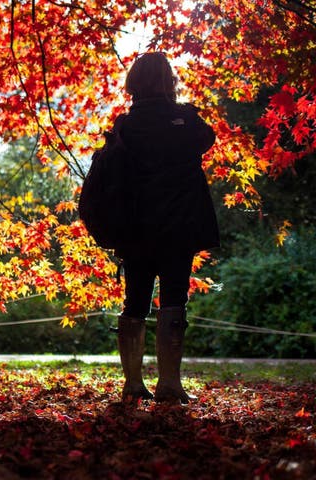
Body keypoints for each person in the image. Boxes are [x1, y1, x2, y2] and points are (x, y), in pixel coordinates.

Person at [111, 52, 219, 404]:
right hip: (178, 225)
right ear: (168, 81)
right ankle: (170, 383)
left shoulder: (125, 126)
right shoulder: (186, 121)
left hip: (135, 227)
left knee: (135, 302)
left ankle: (132, 384)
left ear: (135, 83)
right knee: (174, 299)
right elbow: (208, 138)